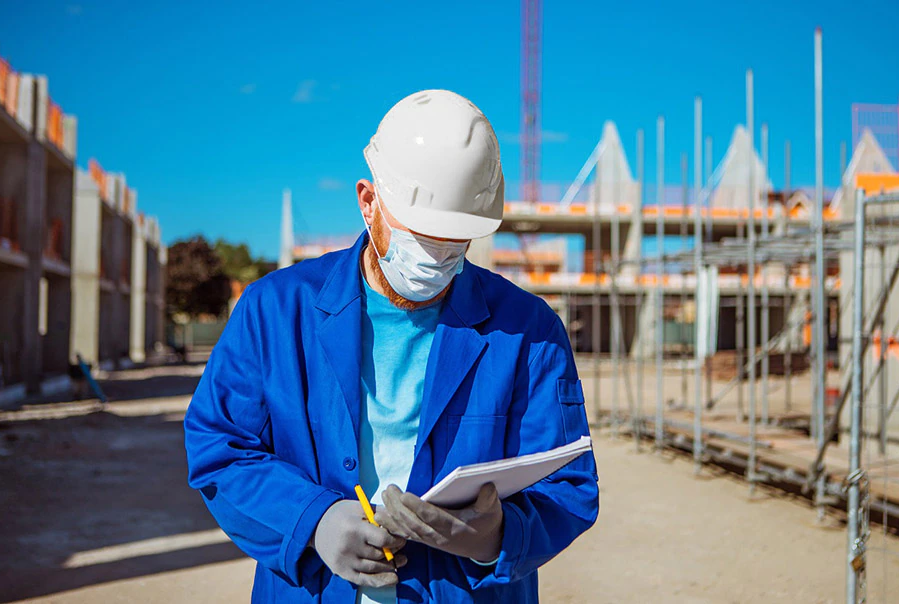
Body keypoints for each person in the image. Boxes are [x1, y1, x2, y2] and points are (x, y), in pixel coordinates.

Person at [184, 89, 599, 603]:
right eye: (420, 234)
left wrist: (495, 537)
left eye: (455, 239)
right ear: (368, 202)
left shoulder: (528, 332)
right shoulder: (274, 312)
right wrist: (313, 520)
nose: (437, 256)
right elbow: (219, 447)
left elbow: (568, 483)